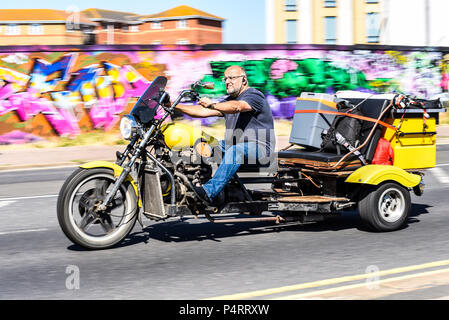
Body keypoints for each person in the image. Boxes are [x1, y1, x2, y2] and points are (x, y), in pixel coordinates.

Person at [174, 65, 275, 205]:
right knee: (202, 142)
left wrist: (213, 105)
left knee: (235, 151)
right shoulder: (228, 101)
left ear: (244, 80)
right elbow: (202, 111)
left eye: (232, 78)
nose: (227, 81)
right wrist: (173, 106)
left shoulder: (254, 95)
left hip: (259, 149)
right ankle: (195, 182)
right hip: (234, 145)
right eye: (225, 78)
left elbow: (237, 107)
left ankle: (208, 192)